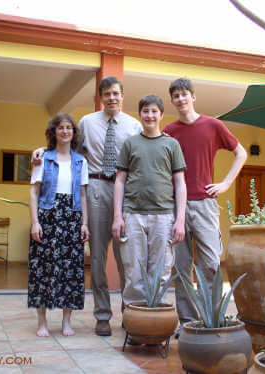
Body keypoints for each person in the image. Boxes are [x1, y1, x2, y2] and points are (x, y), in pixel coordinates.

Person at [33, 76, 141, 336]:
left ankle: (129, 313)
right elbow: (67, 150)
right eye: (106, 94)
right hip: (95, 188)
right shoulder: (87, 122)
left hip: (125, 191)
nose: (111, 98)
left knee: (127, 257)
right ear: (100, 97)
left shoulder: (135, 126)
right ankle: (102, 316)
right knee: (99, 257)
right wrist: (41, 149)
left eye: (116, 93)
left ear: (122, 96)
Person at [162, 78, 247, 336]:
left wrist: (225, 183)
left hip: (205, 204)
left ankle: (211, 318)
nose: (180, 99)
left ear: (193, 97)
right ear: (173, 100)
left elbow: (241, 153)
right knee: (182, 267)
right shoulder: (169, 131)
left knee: (210, 263)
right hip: (177, 206)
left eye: (184, 94)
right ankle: (188, 321)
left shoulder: (213, 125)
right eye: (175, 95)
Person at [112, 94, 186, 308]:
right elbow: (120, 180)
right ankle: (135, 322)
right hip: (132, 215)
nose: (150, 115)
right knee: (134, 271)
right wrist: (118, 217)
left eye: (154, 111)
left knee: (160, 271)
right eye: (146, 111)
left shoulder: (171, 145)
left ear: (161, 115)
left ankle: (156, 320)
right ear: (140, 114)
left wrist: (179, 220)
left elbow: (180, 183)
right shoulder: (130, 143)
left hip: (163, 216)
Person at [28, 113, 90, 337]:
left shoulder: (80, 161)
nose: (65, 131)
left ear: (74, 133)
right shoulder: (42, 158)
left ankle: (66, 321)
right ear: (54, 132)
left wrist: (84, 223)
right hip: (47, 216)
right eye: (60, 128)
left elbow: (83, 194)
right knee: (42, 269)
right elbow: (34, 193)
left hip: (72, 217)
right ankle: (42, 322)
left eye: (69, 128)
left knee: (70, 271)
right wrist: (35, 222)